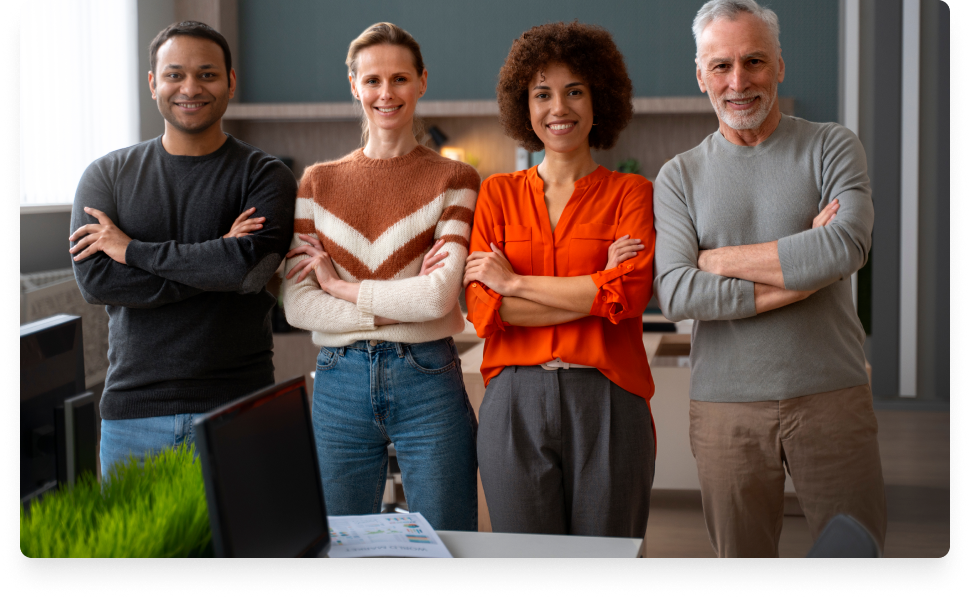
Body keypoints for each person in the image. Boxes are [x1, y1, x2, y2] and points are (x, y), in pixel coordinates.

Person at [653, 0, 886, 557]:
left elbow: (846, 244)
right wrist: (801, 275)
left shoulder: (832, 144)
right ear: (700, 74)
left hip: (832, 391)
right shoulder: (678, 176)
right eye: (721, 65)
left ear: (779, 66)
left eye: (754, 61)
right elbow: (678, 291)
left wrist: (715, 259)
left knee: (855, 555)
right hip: (724, 408)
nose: (739, 82)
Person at [69, 21, 297, 477]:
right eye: (174, 74)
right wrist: (217, 259)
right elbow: (98, 283)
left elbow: (247, 273)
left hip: (239, 408)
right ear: (153, 83)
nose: (190, 87)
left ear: (231, 82)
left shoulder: (266, 176)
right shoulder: (106, 176)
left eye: (207, 74)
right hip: (134, 415)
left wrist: (132, 250)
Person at [280, 22, 480, 532]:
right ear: (354, 85)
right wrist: (403, 300)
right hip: (338, 381)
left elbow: (437, 296)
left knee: (447, 539)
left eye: (399, 79)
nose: (386, 93)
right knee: (342, 542)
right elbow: (298, 305)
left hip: (428, 378)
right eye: (372, 80)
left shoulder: (454, 179)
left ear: (422, 81)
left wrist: (342, 287)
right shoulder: (317, 183)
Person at [463, 21, 656, 538]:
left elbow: (629, 295)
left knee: (606, 564)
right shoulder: (497, 193)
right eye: (542, 93)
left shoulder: (632, 193)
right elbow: (484, 309)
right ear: (523, 106)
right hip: (514, 401)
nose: (559, 108)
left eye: (575, 91)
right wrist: (597, 285)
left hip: (610, 396)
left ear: (599, 100)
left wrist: (516, 283)